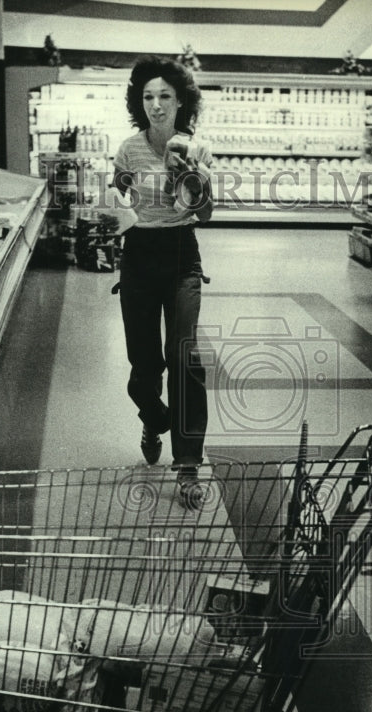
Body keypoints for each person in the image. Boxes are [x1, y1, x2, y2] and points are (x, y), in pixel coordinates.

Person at [112, 55, 214, 509]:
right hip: (137, 257)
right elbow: (115, 203)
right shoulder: (127, 150)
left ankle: (188, 462)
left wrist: (188, 174)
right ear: (141, 102)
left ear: (180, 102)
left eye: (165, 97)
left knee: (184, 355)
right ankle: (155, 419)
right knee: (143, 367)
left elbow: (206, 213)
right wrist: (109, 213)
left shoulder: (197, 148)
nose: (156, 105)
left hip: (180, 256)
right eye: (148, 96)